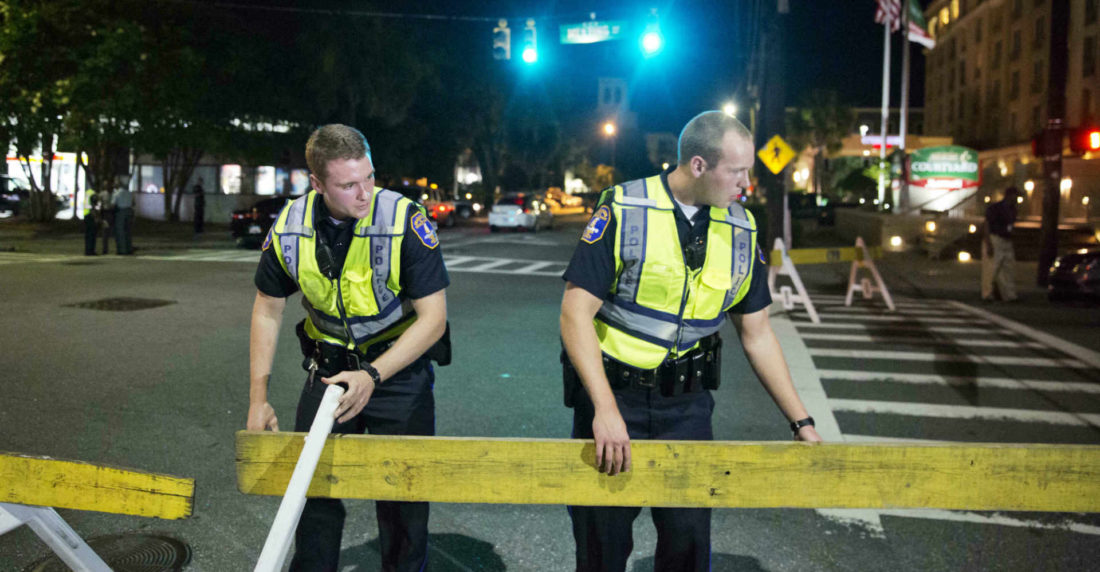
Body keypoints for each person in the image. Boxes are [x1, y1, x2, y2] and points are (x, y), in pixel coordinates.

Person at [559, 111, 823, 572]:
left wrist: (801, 421)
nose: (746, 182)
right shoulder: (624, 207)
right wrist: (604, 409)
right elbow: (574, 313)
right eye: (737, 171)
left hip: (687, 407)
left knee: (687, 547)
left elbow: (758, 335)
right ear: (699, 165)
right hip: (614, 399)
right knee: (602, 546)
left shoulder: (741, 228)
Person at [247, 124, 450, 572]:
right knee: (312, 494)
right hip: (328, 373)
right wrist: (258, 399)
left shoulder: (403, 218)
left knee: (403, 498)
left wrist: (372, 375)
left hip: (396, 374)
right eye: (348, 185)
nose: (365, 193)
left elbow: (434, 319)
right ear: (317, 184)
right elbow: (267, 308)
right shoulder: (291, 224)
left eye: (370, 177)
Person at [981, 186, 1021, 303]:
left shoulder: (1012, 209)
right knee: (991, 268)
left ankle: (1009, 295)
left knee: (1007, 268)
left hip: (1006, 239)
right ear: (1010, 195)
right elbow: (987, 224)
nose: (1017, 199)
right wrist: (988, 242)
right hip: (995, 238)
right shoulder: (996, 208)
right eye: (1015, 196)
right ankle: (987, 294)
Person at [112, 185, 134, 255]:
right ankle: (129, 248)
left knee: (120, 232)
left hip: (120, 212)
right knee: (128, 231)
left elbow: (113, 204)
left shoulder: (117, 193)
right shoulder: (130, 193)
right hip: (129, 211)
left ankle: (122, 250)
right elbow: (133, 203)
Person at [83, 189, 99, 256]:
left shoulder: (87, 193)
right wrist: (96, 217)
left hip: (86, 216)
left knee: (88, 235)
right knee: (92, 235)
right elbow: (93, 207)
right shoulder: (93, 194)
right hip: (91, 216)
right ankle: (91, 250)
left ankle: (88, 250)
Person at [98, 188, 113, 255]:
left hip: (111, 212)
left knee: (108, 232)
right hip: (105, 213)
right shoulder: (102, 194)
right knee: (105, 231)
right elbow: (99, 204)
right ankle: (105, 249)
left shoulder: (114, 193)